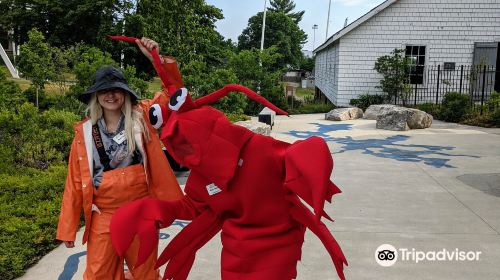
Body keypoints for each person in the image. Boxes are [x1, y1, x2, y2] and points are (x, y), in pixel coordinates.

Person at [56, 38, 183, 280]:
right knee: (98, 274)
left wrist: (155, 58)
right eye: (104, 90)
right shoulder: (84, 133)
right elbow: (73, 183)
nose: (110, 95)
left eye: (116, 90)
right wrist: (67, 228)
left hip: (141, 213)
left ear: (125, 93)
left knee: (146, 273)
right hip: (103, 217)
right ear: (96, 96)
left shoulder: (143, 117)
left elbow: (174, 95)